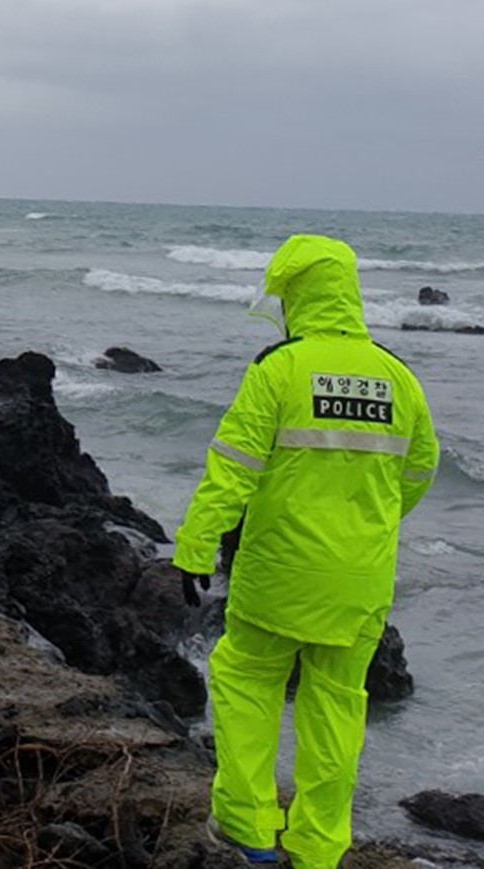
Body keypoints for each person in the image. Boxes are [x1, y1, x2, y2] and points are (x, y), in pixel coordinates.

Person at [172, 235, 439, 867]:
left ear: (294, 294)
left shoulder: (279, 368)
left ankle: (248, 826)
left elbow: (231, 467)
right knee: (338, 709)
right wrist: (367, 526)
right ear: (348, 292)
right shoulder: (398, 376)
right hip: (360, 582)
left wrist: (195, 545)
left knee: (246, 681)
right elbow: (421, 471)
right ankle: (319, 848)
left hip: (278, 572)